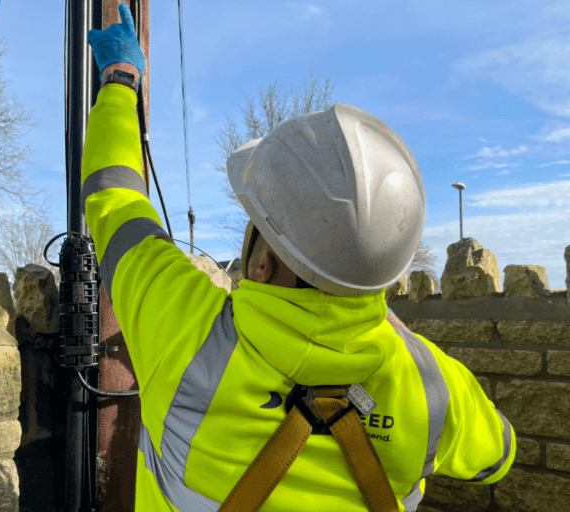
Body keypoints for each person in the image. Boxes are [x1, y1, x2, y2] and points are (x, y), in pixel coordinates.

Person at [82, 4, 515, 511]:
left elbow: (114, 195)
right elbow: (498, 455)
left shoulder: (183, 329)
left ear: (262, 264)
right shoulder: (433, 387)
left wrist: (120, 79)